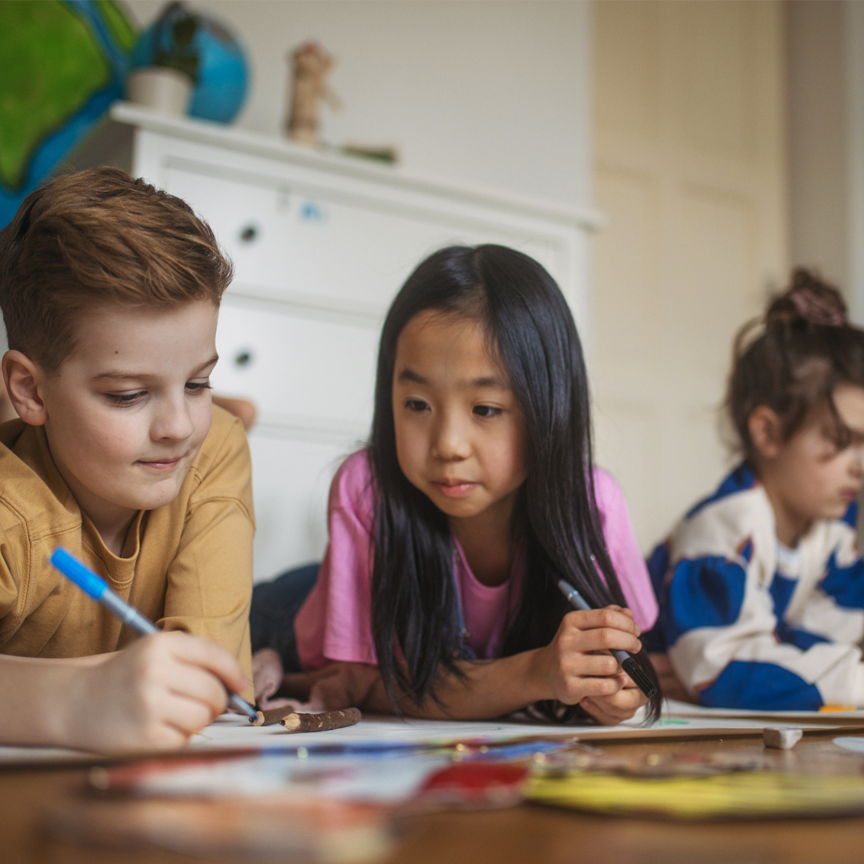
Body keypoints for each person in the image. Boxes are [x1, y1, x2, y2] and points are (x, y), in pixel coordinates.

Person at [253, 244, 661, 724]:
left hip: (384, 622)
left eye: (485, 409)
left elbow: (629, 668)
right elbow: (363, 684)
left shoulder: (595, 505)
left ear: (549, 409)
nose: (448, 445)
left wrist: (610, 692)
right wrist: (535, 673)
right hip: (292, 613)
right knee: (220, 647)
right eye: (417, 404)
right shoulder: (366, 491)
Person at [0, 167, 254, 753]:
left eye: (198, 383)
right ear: (31, 391)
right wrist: (74, 702)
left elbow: (205, 682)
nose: (178, 428)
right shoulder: (13, 518)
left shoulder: (214, 443)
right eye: (128, 395)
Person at [648, 270, 864, 710]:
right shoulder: (725, 530)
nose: (860, 465)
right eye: (841, 442)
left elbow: (828, 633)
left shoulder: (833, 523)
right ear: (767, 433)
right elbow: (725, 669)